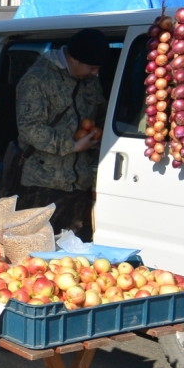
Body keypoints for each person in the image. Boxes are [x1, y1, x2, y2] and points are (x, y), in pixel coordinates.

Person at [15, 28, 108, 241]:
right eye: (92, 67)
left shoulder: (90, 80)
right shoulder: (38, 78)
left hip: (79, 183)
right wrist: (72, 146)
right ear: (74, 59)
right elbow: (30, 128)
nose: (94, 73)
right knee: (38, 247)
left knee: (73, 252)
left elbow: (101, 111)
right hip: (44, 184)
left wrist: (98, 135)